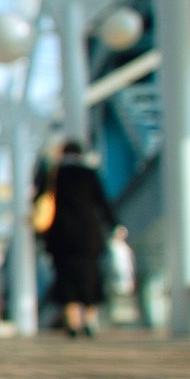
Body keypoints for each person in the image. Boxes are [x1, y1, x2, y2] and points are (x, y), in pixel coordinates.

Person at [35, 140, 116, 338]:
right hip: (87, 235)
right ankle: (89, 321)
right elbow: (102, 202)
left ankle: (72, 322)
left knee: (66, 278)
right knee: (90, 276)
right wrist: (114, 225)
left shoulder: (54, 174)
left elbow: (40, 199)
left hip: (61, 236)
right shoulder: (89, 174)